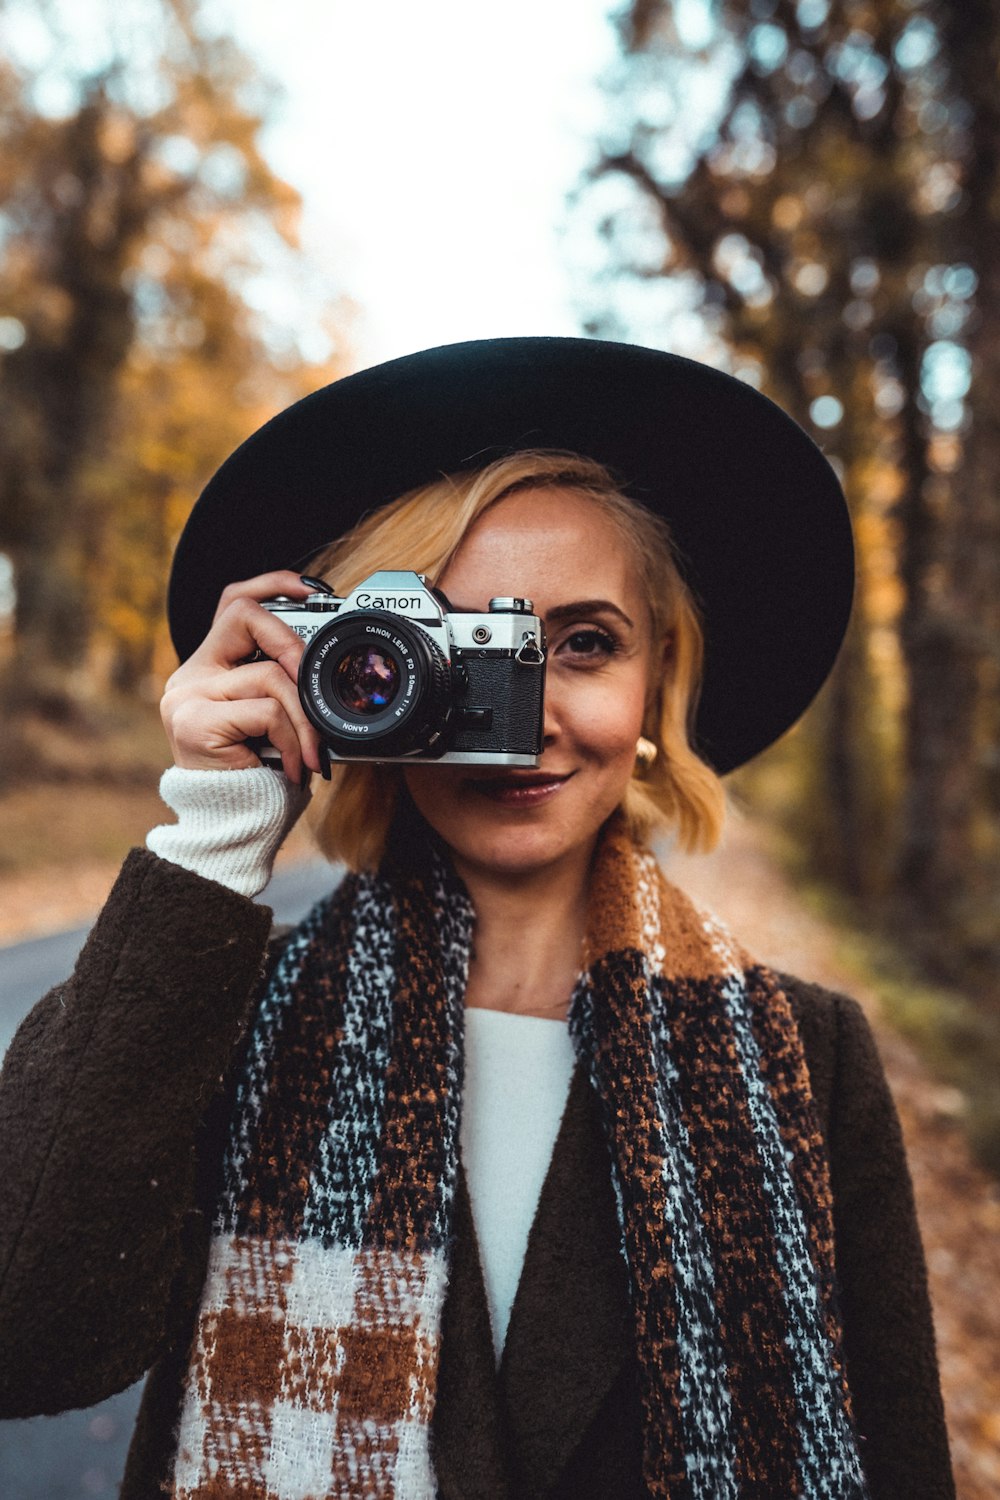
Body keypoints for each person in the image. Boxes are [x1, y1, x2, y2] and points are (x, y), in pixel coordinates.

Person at [0, 338, 954, 1499]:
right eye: (454, 654)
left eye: (585, 645)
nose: (528, 718)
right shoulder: (220, 1012)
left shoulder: (811, 1062)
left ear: (659, 685)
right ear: (356, 679)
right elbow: (27, 1332)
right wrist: (213, 838)